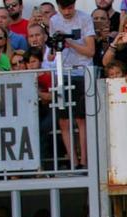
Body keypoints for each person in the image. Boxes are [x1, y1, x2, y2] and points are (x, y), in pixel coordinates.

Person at [48, 0, 96, 168]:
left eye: (70, 7)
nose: (67, 12)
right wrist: (54, 47)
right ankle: (72, 161)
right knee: (63, 120)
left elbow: (90, 51)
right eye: (63, 8)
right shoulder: (54, 21)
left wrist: (70, 43)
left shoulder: (84, 19)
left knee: (81, 119)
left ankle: (84, 161)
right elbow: (51, 53)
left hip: (81, 72)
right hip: (62, 73)